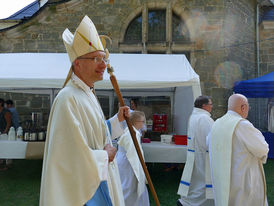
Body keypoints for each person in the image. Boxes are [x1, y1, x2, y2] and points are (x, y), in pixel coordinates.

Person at [40, 16, 130, 206]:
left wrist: (116, 121)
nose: (104, 65)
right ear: (77, 63)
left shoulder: (87, 93)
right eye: (97, 59)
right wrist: (106, 156)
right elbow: (67, 156)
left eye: (104, 58)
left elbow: (95, 134)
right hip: (86, 193)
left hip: (100, 178)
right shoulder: (67, 99)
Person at [208, 93, 269, 206]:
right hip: (242, 180)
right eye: (248, 107)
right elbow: (262, 149)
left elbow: (209, 144)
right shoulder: (243, 125)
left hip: (222, 179)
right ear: (243, 107)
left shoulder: (216, 124)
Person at [177, 96, 214, 206]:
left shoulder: (194, 116)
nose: (212, 107)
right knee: (202, 183)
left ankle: (188, 201)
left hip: (195, 153)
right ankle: (193, 203)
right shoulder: (204, 118)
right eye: (210, 104)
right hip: (203, 155)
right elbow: (211, 138)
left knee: (195, 182)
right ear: (204, 106)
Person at [116, 111, 149, 206]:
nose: (143, 124)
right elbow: (132, 153)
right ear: (136, 122)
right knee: (128, 187)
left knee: (134, 188)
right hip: (128, 163)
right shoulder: (131, 133)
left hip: (129, 162)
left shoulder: (134, 132)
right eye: (142, 121)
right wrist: (140, 168)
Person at [0, 98, 12, 171]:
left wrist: (5, 131)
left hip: (5, 132)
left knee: (7, 148)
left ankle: (8, 164)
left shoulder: (6, 111)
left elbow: (8, 122)